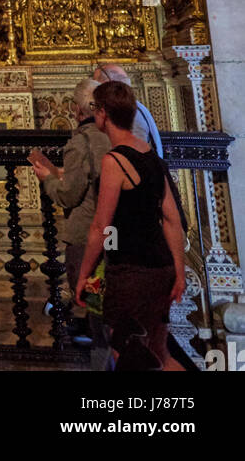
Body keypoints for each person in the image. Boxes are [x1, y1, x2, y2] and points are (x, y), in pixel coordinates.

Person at [76, 81, 186, 370]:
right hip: (160, 268)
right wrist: (178, 271)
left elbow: (100, 227)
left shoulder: (115, 161)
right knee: (159, 353)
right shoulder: (150, 155)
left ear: (102, 114)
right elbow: (173, 220)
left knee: (127, 353)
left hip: (131, 272)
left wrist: (84, 275)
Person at [28, 79, 110, 369]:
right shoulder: (114, 137)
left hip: (87, 232)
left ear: (76, 109)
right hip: (116, 233)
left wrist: (47, 178)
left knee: (93, 301)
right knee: (106, 306)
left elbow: (68, 195)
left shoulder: (81, 142)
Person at [93, 63, 163, 156]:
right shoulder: (130, 107)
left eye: (97, 85)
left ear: (109, 85)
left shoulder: (129, 111)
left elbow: (135, 155)